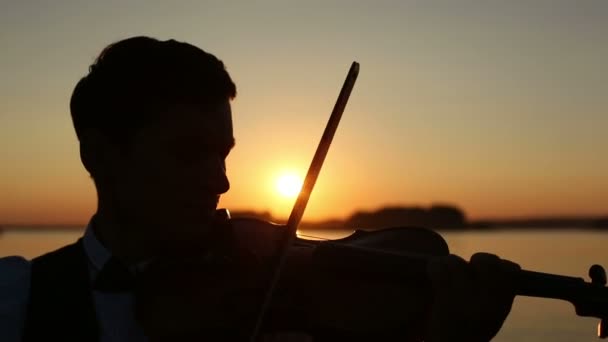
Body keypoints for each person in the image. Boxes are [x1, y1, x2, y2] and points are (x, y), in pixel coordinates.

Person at [0, 36, 520, 342]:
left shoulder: (271, 302)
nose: (221, 183)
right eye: (187, 152)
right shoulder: (15, 299)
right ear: (100, 155)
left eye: (223, 154)